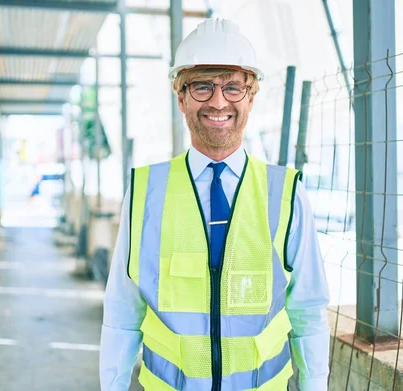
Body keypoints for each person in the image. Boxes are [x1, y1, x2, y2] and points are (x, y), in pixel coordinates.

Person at [100, 18, 329, 391]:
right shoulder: (144, 190)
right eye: (203, 86)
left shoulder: (285, 192)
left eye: (233, 87)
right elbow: (123, 311)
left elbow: (308, 311)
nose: (219, 101)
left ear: (251, 96)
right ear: (181, 97)